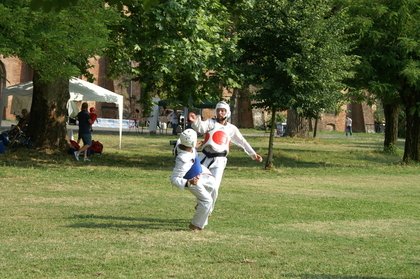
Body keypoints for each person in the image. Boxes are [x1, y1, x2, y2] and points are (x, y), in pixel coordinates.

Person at [188, 101, 263, 212]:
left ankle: (207, 210)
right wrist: (194, 121)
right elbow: (201, 127)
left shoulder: (231, 129)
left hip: (219, 160)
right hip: (204, 157)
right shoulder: (210, 123)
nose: (220, 113)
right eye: (218, 110)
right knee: (198, 182)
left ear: (227, 112)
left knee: (214, 188)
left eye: (223, 110)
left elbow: (242, 141)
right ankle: (201, 202)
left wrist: (253, 154)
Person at [170, 129, 216, 231]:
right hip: (192, 180)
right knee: (207, 201)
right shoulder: (183, 159)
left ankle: (200, 206)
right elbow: (173, 179)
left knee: (213, 185)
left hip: (199, 172)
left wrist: (195, 146)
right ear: (191, 142)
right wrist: (188, 182)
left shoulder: (184, 144)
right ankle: (195, 225)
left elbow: (188, 143)